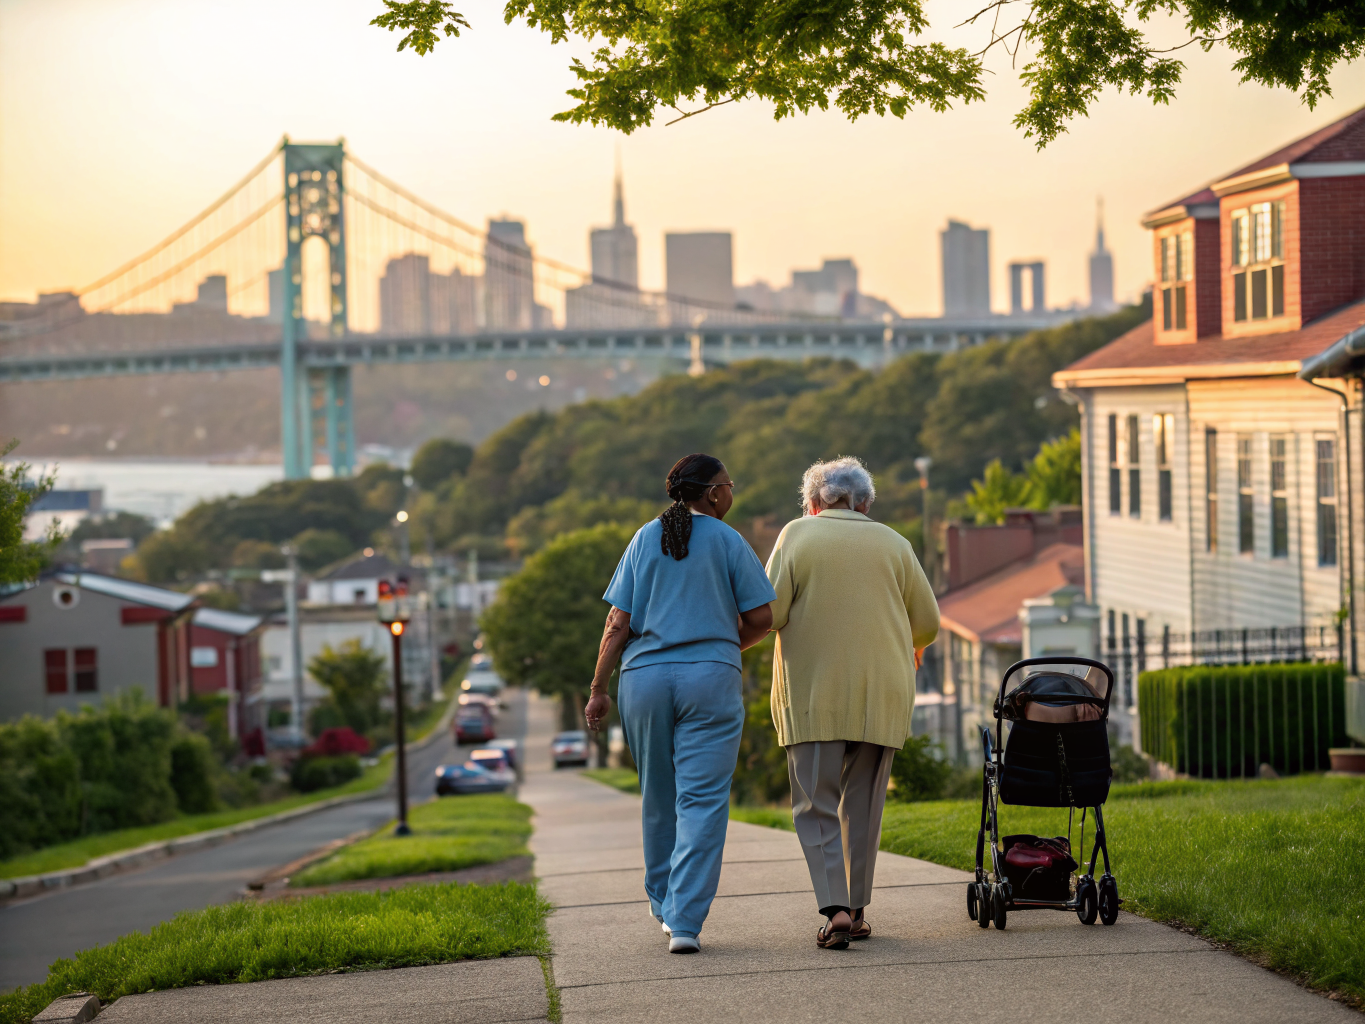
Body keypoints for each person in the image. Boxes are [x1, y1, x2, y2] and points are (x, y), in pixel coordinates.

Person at [585, 453, 775, 954]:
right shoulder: (729, 540)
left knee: (658, 795)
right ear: (712, 493)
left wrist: (599, 688)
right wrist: (716, 646)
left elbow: (616, 625)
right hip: (710, 678)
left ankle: (661, 898)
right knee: (703, 801)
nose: (731, 494)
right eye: (728, 485)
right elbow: (762, 618)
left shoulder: (645, 537)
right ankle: (684, 921)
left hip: (643, 680)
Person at [765, 456, 939, 949]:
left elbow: (771, 611)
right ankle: (858, 910)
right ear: (865, 503)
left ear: (814, 502)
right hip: (882, 691)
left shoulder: (797, 535)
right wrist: (908, 642)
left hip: (816, 691)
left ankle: (836, 912)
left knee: (815, 803)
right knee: (863, 804)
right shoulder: (895, 543)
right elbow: (926, 622)